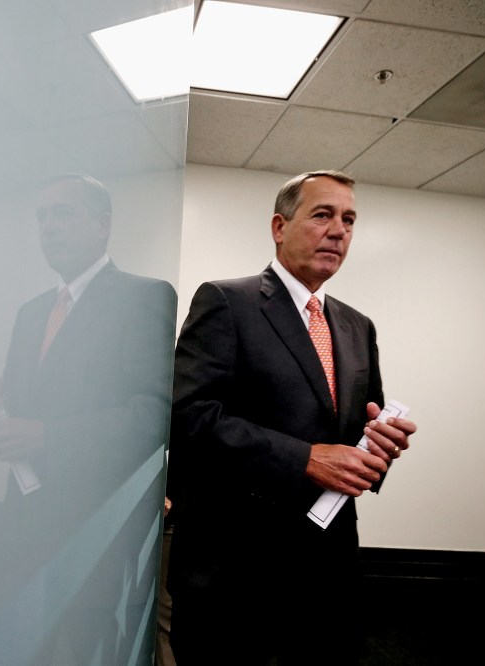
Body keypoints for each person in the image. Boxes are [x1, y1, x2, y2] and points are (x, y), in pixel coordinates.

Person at [166, 170, 417, 665]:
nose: (339, 230)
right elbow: (188, 416)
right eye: (322, 215)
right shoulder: (226, 301)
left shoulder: (356, 325)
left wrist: (380, 446)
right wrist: (305, 459)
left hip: (328, 568)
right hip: (236, 569)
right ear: (280, 227)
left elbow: (357, 433)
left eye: (348, 219)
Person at [0, 174, 177, 665]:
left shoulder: (143, 297)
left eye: (63, 214)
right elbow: (30, 403)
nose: (49, 227)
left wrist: (45, 435)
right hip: (23, 518)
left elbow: (152, 414)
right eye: (42, 217)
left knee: (88, 650)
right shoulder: (32, 311)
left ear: (102, 226)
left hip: (94, 525)